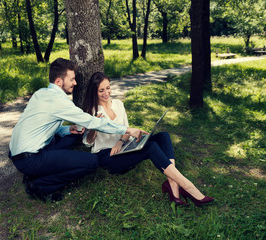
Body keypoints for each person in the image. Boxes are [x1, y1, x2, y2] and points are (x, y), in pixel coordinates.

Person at [8, 58, 147, 202]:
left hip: (16, 154)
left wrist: (68, 130)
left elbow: (42, 126)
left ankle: (34, 174)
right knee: (91, 161)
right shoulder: (60, 102)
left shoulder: (41, 93)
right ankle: (39, 185)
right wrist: (127, 130)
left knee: (73, 135)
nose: (75, 83)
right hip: (30, 160)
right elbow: (93, 122)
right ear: (58, 82)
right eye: (72, 79)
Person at [82, 72, 214, 206]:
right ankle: (188, 187)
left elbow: (127, 131)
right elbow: (88, 142)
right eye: (101, 90)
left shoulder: (118, 104)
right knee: (151, 147)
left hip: (123, 147)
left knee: (163, 136)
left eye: (108, 88)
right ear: (94, 92)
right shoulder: (91, 111)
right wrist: (94, 126)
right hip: (107, 155)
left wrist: (120, 141)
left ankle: (173, 185)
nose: (106, 93)